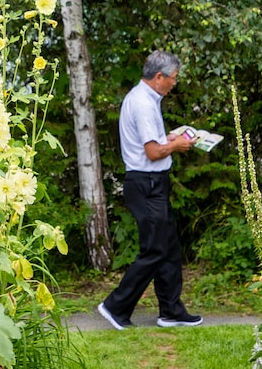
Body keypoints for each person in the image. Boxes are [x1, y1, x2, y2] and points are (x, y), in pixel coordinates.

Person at [98, 50, 203, 330]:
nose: (174, 84)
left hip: (153, 182)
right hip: (146, 183)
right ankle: (115, 306)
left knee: (168, 248)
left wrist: (169, 137)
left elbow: (152, 142)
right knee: (154, 250)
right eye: (173, 79)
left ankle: (170, 311)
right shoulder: (143, 103)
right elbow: (153, 152)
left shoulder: (145, 98)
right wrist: (176, 145)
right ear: (159, 77)